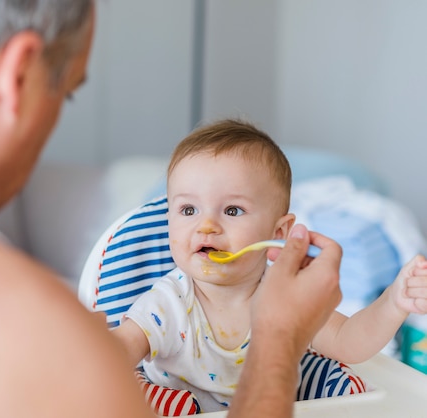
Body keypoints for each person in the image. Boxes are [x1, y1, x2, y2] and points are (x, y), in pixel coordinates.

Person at [0, 1, 347, 417]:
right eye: (67, 91)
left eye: (233, 211)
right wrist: (279, 341)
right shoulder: (14, 319)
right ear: (18, 76)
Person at [111, 118, 427, 414]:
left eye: (232, 210)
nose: (206, 225)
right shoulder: (167, 304)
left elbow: (350, 341)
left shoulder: (288, 295)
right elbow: (119, 350)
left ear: (278, 233)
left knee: (349, 386)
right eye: (188, 209)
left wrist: (394, 302)